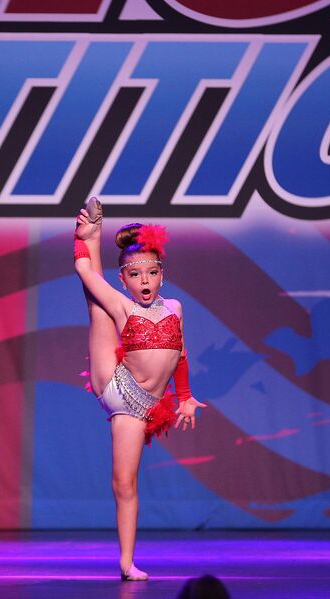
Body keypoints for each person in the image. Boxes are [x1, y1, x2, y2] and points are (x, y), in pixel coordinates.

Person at [74, 197, 206, 581]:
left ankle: (128, 560)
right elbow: (83, 270)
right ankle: (93, 232)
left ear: (162, 275)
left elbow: (181, 355)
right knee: (97, 306)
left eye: (151, 273)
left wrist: (185, 397)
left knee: (129, 482)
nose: (144, 281)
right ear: (124, 280)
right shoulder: (124, 306)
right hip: (119, 390)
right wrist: (81, 239)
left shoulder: (175, 309)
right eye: (135, 274)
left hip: (149, 400)